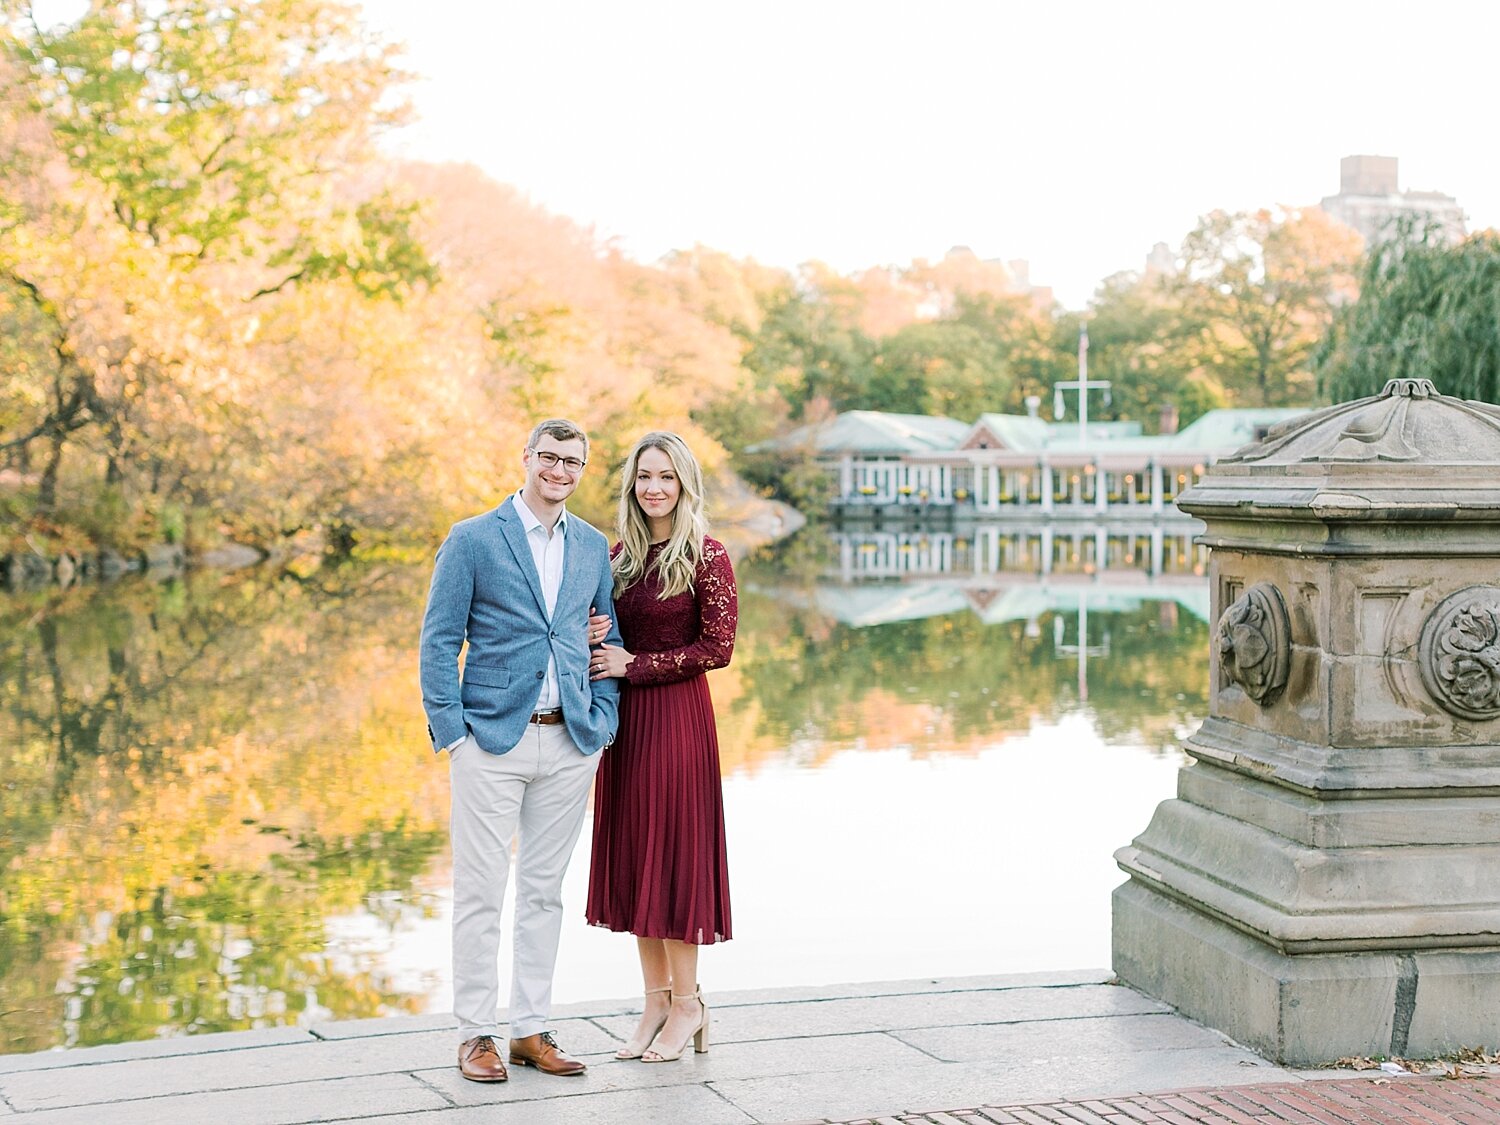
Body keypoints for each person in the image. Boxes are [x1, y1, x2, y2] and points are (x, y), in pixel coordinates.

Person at [419, 418, 623, 1084]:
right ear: (527, 458)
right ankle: (475, 1033)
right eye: (549, 457)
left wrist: (604, 719)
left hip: (569, 740)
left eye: (572, 461)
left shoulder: (592, 546)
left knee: (543, 893)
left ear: (583, 470)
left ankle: (530, 1029)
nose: (559, 470)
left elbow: (601, 637)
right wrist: (454, 735)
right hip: (490, 740)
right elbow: (437, 642)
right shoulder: (473, 539)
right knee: (480, 892)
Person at [583, 430, 737, 1063]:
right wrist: (594, 629)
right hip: (626, 728)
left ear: (685, 483)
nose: (654, 487)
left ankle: (688, 1004)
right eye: (644, 476)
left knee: (672, 860)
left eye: (666, 476)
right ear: (631, 484)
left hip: (677, 722)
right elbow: (606, 637)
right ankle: (654, 1000)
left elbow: (717, 649)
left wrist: (632, 665)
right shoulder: (616, 556)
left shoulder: (707, 555)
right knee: (638, 859)